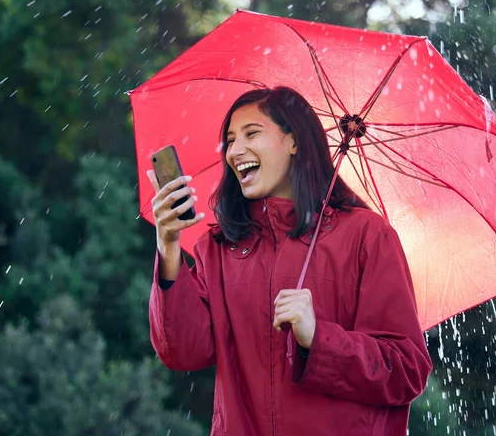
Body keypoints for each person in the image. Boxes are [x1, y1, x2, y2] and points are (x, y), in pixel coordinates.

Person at [146, 86, 432, 436]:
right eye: (230, 140)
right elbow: (183, 352)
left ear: (294, 141)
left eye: (252, 133)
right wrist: (168, 245)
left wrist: (319, 339)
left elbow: (406, 370)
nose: (235, 151)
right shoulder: (218, 248)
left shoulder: (367, 235)